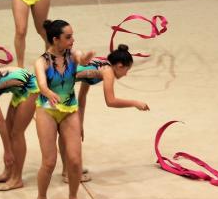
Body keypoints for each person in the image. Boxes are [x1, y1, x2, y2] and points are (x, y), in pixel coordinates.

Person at [59, 44, 150, 181]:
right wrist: (135, 103)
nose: (126, 74)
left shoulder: (100, 64)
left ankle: (68, 169)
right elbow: (111, 101)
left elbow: (82, 96)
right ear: (119, 65)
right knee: (68, 132)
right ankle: (68, 173)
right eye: (126, 70)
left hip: (61, 86)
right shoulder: (107, 71)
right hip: (58, 87)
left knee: (70, 131)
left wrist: (80, 123)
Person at [33, 19, 94, 199]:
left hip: (69, 110)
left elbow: (81, 59)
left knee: (75, 160)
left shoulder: (72, 55)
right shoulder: (41, 61)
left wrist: (86, 58)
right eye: (68, 37)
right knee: (49, 161)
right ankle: (41, 198)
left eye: (72, 36)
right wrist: (48, 92)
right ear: (55, 39)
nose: (72, 40)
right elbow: (42, 83)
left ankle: (73, 196)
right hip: (47, 111)